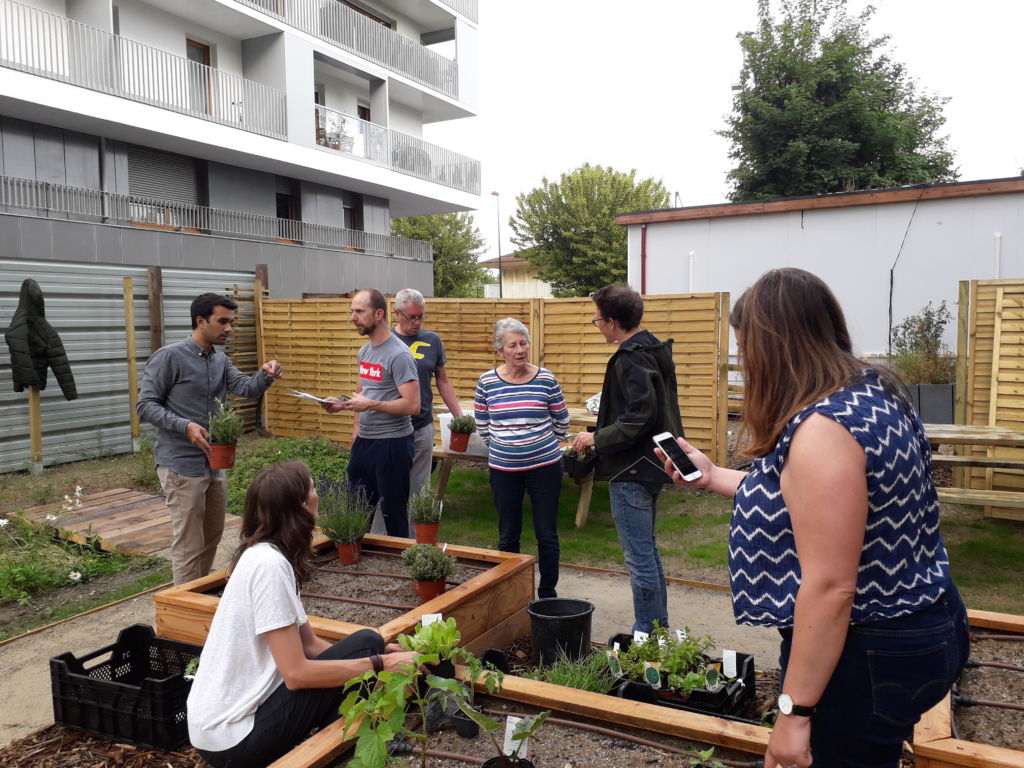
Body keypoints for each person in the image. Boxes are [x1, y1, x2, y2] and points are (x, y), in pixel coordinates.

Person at [657, 268, 969, 768]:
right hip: (924, 621)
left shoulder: (824, 429)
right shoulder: (873, 390)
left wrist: (794, 712)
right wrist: (715, 476)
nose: (743, 362)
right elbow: (815, 502)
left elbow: (830, 587)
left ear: (774, 347)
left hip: (866, 651)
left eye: (745, 347)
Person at [186, 460, 419, 767]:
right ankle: (341, 750)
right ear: (300, 506)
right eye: (313, 488)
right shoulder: (270, 567)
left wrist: (381, 652)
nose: (317, 494)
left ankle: (340, 741)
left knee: (368, 644)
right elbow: (296, 675)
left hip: (214, 730)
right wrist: (381, 663)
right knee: (366, 645)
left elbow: (309, 646)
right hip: (234, 740)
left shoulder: (263, 554)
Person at [138, 292, 283, 585]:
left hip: (215, 463)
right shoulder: (169, 357)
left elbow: (245, 388)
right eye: (223, 322)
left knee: (211, 538)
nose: (228, 328)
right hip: (180, 465)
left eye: (231, 322)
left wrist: (266, 375)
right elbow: (146, 405)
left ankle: (200, 599)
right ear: (200, 321)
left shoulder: (219, 360)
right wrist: (185, 425)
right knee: (189, 544)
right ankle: (184, 611)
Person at [573, 284, 683, 633]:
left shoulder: (631, 357)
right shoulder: (652, 349)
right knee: (647, 551)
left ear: (613, 321)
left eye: (598, 320)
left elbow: (640, 416)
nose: (598, 325)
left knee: (639, 558)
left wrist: (596, 436)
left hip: (633, 468)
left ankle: (648, 633)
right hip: (654, 463)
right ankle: (658, 629)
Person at [474, 318, 569, 599]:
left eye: (523, 343)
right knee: (508, 533)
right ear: (500, 349)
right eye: (512, 345)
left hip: (545, 468)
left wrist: (539, 443)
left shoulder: (546, 379)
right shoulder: (487, 381)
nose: (519, 349)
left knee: (547, 533)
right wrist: (505, 446)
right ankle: (512, 590)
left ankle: (548, 593)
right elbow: (482, 423)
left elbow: (561, 420)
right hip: (504, 470)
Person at [322, 289, 418, 538]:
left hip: (392, 445)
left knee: (393, 514)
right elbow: (363, 393)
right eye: (352, 311)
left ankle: (400, 570)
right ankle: (355, 568)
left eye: (359, 311)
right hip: (365, 442)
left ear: (378, 314)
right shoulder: (364, 352)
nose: (353, 317)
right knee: (355, 511)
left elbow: (412, 405)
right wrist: (340, 404)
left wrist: (371, 405)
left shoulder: (399, 355)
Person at [391, 288, 463, 498]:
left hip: (422, 426)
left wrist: (459, 416)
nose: (417, 322)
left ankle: (414, 532)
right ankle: (383, 532)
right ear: (397, 313)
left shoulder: (433, 340)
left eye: (421, 316)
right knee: (390, 488)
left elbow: (443, 380)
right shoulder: (384, 340)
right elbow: (367, 384)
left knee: (419, 490)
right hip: (390, 428)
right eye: (412, 317)